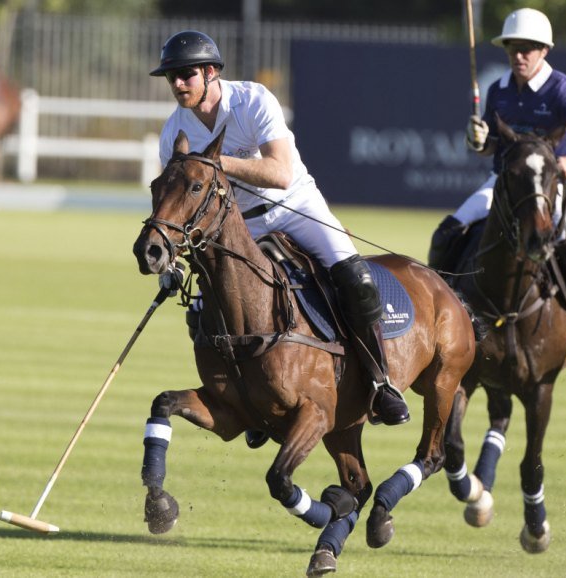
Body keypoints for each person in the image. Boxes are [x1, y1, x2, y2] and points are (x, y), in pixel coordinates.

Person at [151, 30, 410, 443]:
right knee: (204, 306)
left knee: (355, 278)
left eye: (186, 75)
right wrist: (173, 260)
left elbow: (279, 173)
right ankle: (247, 398)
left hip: (294, 206)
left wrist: (216, 166)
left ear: (211, 72)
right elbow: (177, 199)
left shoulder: (253, 101)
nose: (178, 84)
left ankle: (380, 383)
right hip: (237, 225)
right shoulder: (174, 132)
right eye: (172, 77)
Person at [427, 8, 566, 369]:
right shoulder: (499, 90)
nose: (519, 55)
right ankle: (442, 319)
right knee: (447, 233)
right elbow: (492, 146)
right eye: (512, 48)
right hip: (506, 185)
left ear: (544, 51)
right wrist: (478, 141)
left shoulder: (563, 90)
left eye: (527, 48)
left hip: (553, 187)